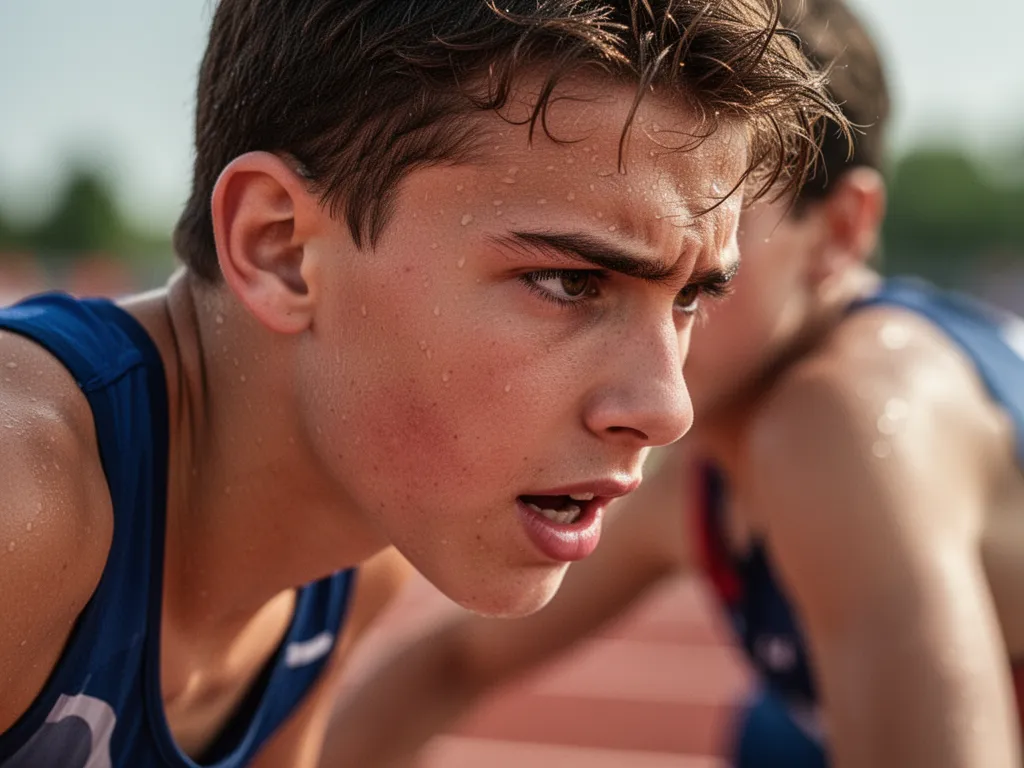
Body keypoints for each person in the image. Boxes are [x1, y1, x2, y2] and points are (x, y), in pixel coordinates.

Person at [0, 1, 839, 766]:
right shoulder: (23, 495)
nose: (668, 409)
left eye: (691, 296)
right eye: (570, 283)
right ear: (280, 247)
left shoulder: (355, 558)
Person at [322, 1, 1024, 766]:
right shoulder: (719, 453)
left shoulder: (847, 419)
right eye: (583, 267)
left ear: (842, 231)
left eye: (706, 260)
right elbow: (452, 662)